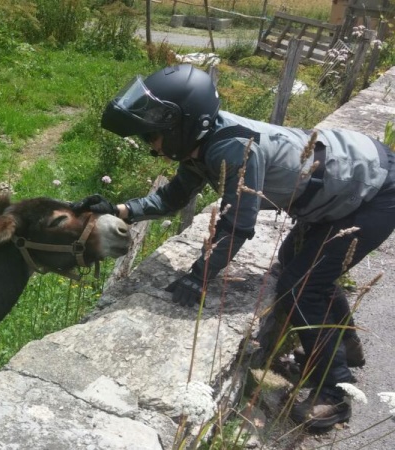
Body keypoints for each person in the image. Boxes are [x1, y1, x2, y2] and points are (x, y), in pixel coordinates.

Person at [75, 64, 395, 431]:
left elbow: (238, 226)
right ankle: (347, 347)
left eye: (154, 135)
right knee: (300, 263)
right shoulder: (202, 144)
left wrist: (201, 274)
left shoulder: (229, 148)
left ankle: (336, 392)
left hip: (374, 191)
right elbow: (172, 196)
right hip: (341, 189)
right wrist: (122, 210)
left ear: (182, 126)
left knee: (300, 286)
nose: (151, 144)